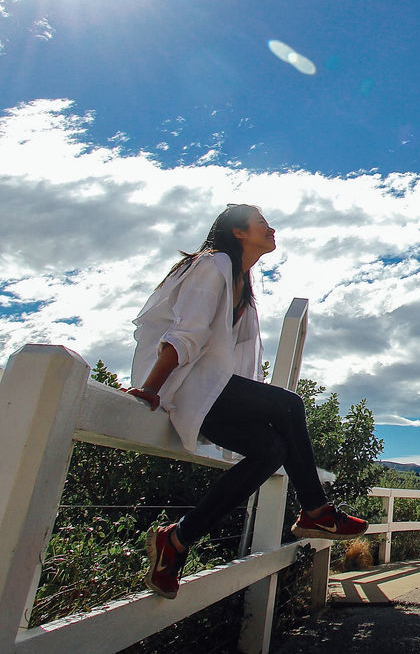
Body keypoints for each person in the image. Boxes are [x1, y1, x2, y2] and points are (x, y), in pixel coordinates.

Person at [126, 204, 367, 599]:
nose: (272, 229)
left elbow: (238, 361)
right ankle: (315, 511)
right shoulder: (212, 265)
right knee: (290, 405)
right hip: (189, 385)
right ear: (238, 232)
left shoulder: (242, 281)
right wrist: (151, 388)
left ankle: (179, 539)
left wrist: (255, 405)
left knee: (271, 449)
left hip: (214, 392)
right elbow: (186, 334)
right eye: (261, 223)